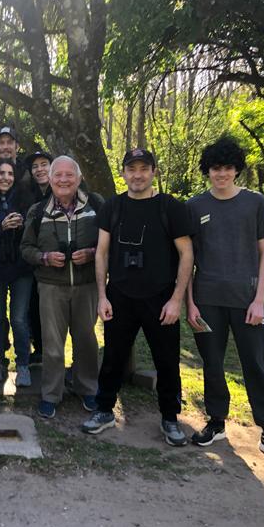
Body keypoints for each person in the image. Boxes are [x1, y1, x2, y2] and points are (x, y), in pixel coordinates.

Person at [186, 137, 264, 464]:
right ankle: (216, 422)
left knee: (255, 365)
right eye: (215, 168)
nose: (221, 174)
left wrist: (259, 300)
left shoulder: (255, 203)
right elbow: (188, 260)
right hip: (207, 300)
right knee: (212, 363)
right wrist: (190, 304)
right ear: (207, 171)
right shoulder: (194, 207)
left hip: (248, 301)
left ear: (237, 169)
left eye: (227, 167)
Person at [81, 148, 193, 446]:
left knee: (167, 361)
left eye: (144, 168)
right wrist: (102, 296)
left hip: (161, 298)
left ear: (154, 171)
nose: (138, 175)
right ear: (123, 173)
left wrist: (176, 299)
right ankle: (104, 410)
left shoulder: (170, 207)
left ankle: (170, 418)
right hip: (120, 295)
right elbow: (101, 253)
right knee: (113, 358)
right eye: (132, 169)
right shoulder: (112, 207)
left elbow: (186, 254)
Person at [21, 156, 103, 418]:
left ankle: (87, 388)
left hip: (86, 284)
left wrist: (91, 253)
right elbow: (26, 248)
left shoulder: (96, 206)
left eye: (69, 175)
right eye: (58, 175)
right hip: (51, 286)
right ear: (50, 179)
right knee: (53, 344)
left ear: (79, 178)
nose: (63, 180)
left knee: (86, 340)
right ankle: (51, 394)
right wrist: (44, 257)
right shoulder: (37, 211)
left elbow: (109, 243)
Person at [0, 157, 35, 386]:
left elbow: (35, 235)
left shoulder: (26, 200)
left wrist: (22, 226)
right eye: (1, 173)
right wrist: (1, 227)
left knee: (19, 319)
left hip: (21, 268)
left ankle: (23, 365)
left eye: (10, 174)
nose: (6, 178)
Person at [24, 149, 55, 365]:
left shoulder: (63, 190)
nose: (39, 169)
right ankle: (40, 350)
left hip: (60, 264)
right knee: (34, 307)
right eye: (35, 166)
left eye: (44, 164)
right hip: (35, 261)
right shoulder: (28, 195)